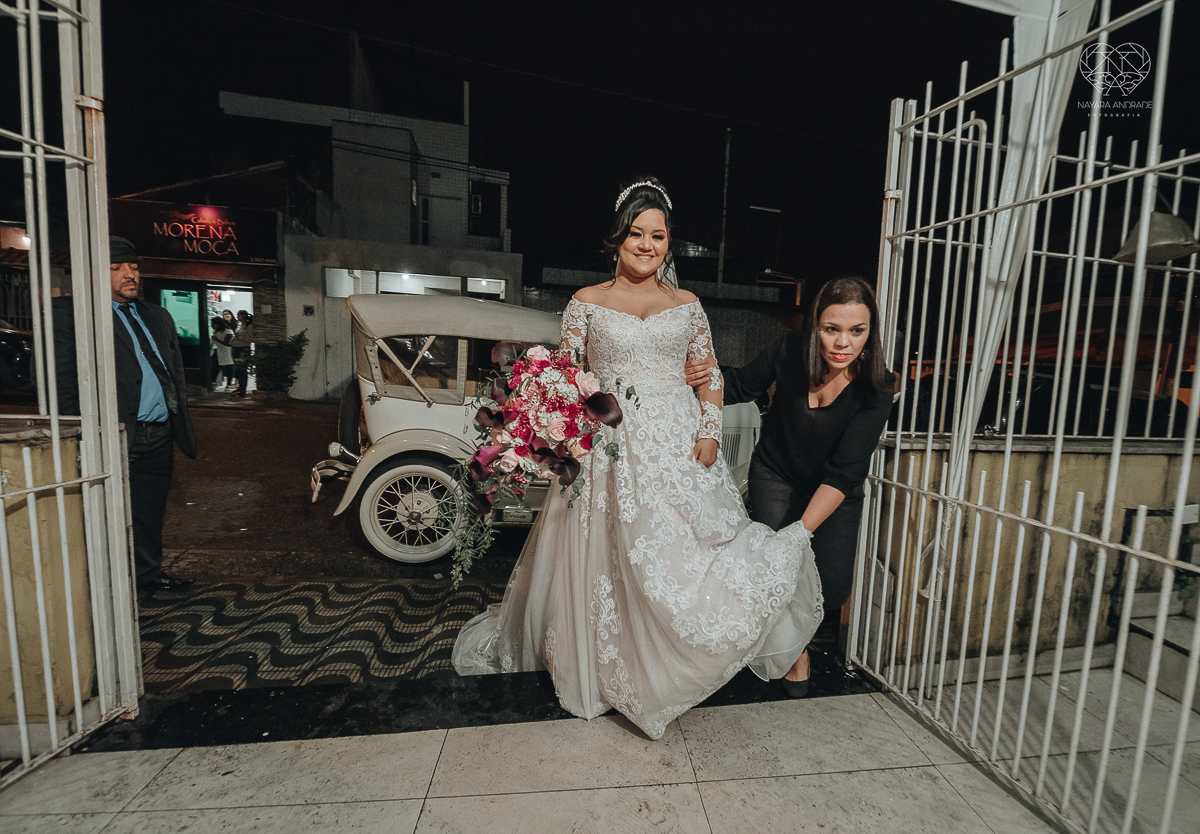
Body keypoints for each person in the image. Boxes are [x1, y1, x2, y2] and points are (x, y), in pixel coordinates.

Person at [453, 179, 824, 739]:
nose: (647, 245)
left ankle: (686, 658)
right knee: (611, 558)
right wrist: (544, 426)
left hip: (678, 446)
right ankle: (610, 666)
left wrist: (708, 433)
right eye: (636, 234)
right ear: (618, 238)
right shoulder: (586, 302)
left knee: (680, 555)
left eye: (658, 235)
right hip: (610, 445)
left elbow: (711, 376)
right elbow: (563, 379)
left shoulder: (688, 304)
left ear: (669, 242)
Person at [685, 276, 895, 693]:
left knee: (831, 587)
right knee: (775, 569)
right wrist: (699, 379)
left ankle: (796, 637)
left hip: (834, 489)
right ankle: (794, 653)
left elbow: (844, 473)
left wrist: (801, 532)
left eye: (857, 330)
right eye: (831, 329)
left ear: (870, 332)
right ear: (815, 325)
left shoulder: (878, 386)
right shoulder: (788, 350)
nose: (843, 343)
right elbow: (738, 386)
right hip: (776, 474)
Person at [108, 237, 197, 593]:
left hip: (158, 432)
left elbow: (174, 371)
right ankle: (111, 585)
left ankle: (147, 576)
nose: (129, 274)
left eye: (133, 267)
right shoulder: (87, 317)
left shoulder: (156, 315)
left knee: (148, 511)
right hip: (118, 432)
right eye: (116, 268)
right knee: (110, 511)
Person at [230, 310, 254, 397]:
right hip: (236, 347)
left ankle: (243, 388)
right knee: (237, 369)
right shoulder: (239, 325)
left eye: (239, 315)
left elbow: (252, 339)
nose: (237, 317)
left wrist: (239, 338)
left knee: (242, 368)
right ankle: (240, 386)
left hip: (243, 348)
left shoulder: (249, 326)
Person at [211, 316, 235, 391]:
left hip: (226, 351)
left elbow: (228, 343)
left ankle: (228, 383)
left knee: (228, 367)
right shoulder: (216, 331)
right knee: (215, 367)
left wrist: (217, 339)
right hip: (218, 350)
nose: (212, 326)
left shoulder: (228, 331)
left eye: (213, 324)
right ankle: (213, 382)